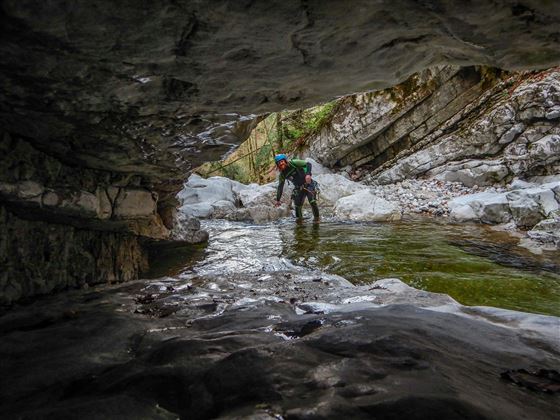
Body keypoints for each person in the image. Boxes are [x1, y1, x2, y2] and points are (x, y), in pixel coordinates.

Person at [274, 154, 320, 222]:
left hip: (308, 184)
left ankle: (317, 220)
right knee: (297, 207)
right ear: (277, 165)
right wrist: (278, 200)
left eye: (282, 161)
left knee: (312, 202)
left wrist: (308, 174)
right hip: (298, 188)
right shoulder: (282, 175)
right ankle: (300, 223)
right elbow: (280, 187)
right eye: (279, 163)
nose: (281, 163)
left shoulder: (294, 163)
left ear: (285, 161)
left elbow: (308, 164)